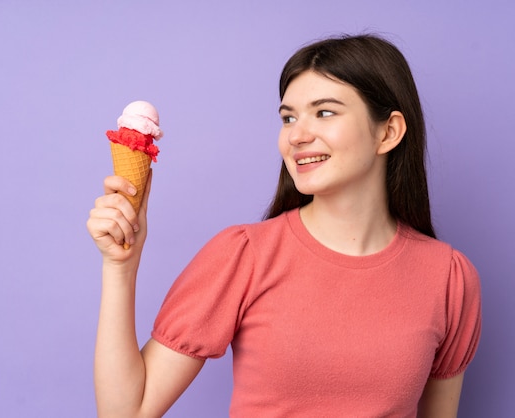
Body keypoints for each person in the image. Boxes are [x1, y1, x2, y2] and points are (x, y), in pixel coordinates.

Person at [87, 34, 482, 418]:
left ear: (388, 131)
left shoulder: (449, 278)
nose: (297, 135)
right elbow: (126, 412)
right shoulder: (243, 255)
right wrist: (120, 267)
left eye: (324, 112)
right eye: (288, 117)